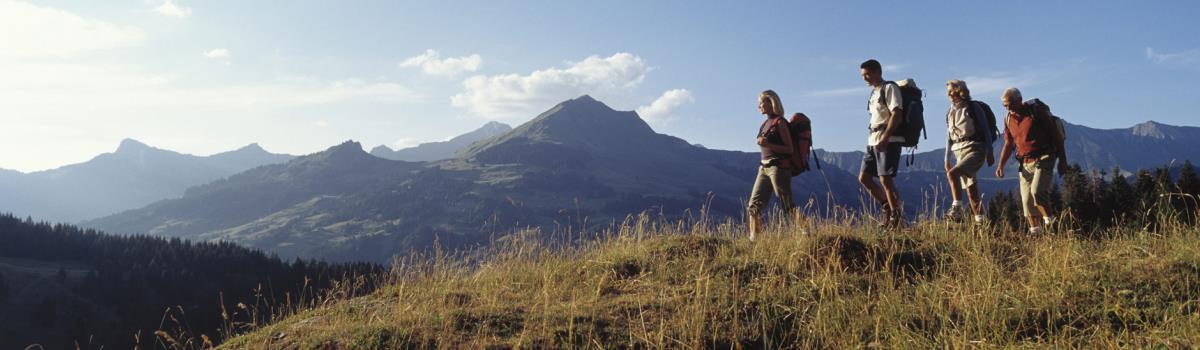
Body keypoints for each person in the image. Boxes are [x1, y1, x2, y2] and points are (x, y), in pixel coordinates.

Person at [995, 87, 1069, 234]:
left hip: (1044, 157)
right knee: (1027, 202)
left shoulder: (1035, 111)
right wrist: (1000, 165)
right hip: (1024, 162)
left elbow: (1056, 136)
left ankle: (1053, 226)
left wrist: (1062, 160)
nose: (1008, 108)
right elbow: (1008, 144)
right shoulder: (1008, 119)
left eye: (1011, 104)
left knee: (1037, 191)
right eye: (1005, 106)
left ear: (1020, 100)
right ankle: (1036, 233)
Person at [858, 59, 904, 229]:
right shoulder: (873, 93)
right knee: (864, 177)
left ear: (878, 72)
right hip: (873, 140)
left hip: (888, 140)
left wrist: (885, 137)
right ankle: (889, 209)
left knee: (886, 179)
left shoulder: (889, 88)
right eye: (863, 75)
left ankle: (897, 219)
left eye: (868, 74)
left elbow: (897, 113)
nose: (865, 78)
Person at [943, 80, 994, 224]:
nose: (950, 95)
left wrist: (990, 151)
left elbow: (985, 129)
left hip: (975, 148)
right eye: (948, 93)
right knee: (972, 191)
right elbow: (949, 137)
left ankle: (956, 208)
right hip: (958, 151)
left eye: (952, 92)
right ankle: (981, 222)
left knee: (952, 173)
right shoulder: (950, 112)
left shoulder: (973, 107)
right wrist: (946, 158)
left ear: (961, 91)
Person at [748, 90, 795, 240]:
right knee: (753, 206)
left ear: (771, 102)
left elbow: (789, 149)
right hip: (764, 167)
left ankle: (806, 231)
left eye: (761, 103)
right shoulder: (765, 124)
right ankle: (754, 240)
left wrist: (768, 144)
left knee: (786, 204)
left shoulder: (780, 122)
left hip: (778, 167)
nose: (759, 106)